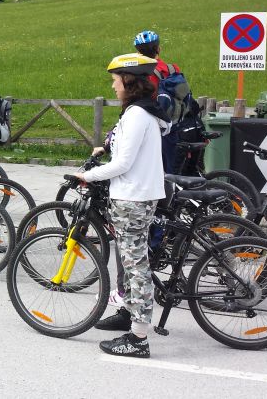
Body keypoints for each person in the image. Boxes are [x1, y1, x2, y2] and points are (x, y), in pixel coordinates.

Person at [73, 53, 168, 359]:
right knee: (129, 259)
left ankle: (138, 338)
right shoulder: (143, 112)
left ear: (128, 81)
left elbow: (123, 163)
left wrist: (87, 175)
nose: (113, 87)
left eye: (115, 81)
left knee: (135, 265)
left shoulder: (137, 115)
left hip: (132, 197)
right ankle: (128, 313)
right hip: (138, 194)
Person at [133, 30, 185, 174]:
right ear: (158, 48)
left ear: (138, 53)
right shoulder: (172, 68)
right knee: (170, 169)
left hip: (151, 124)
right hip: (173, 123)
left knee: (150, 169)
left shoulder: (140, 73)